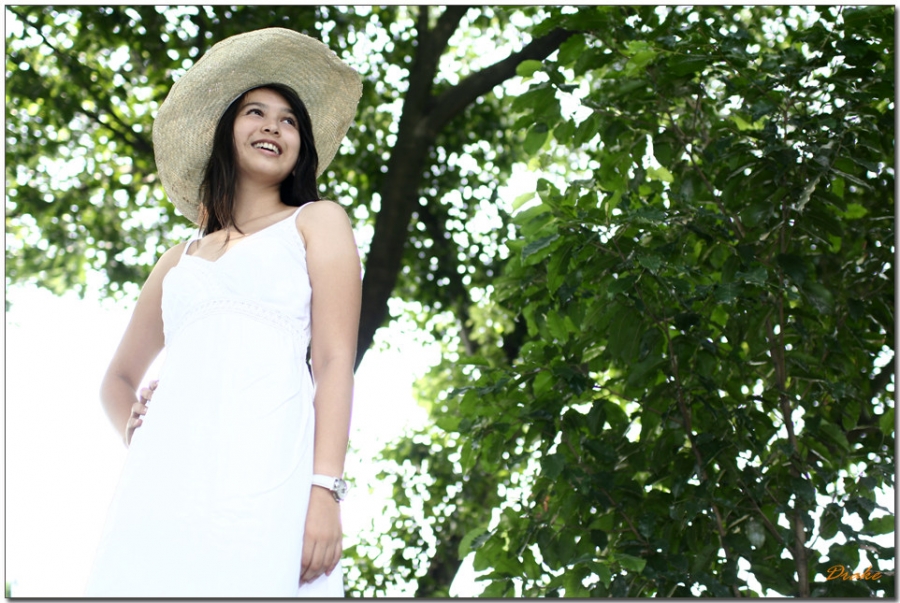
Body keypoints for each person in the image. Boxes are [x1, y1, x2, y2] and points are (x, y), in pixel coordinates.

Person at [85, 28, 363, 597]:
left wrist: (325, 490)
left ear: (302, 147)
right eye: (255, 112)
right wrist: (136, 430)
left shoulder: (317, 221)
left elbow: (336, 360)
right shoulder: (177, 260)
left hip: (269, 475)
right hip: (161, 488)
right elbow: (116, 380)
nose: (273, 126)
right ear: (224, 133)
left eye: (289, 120)